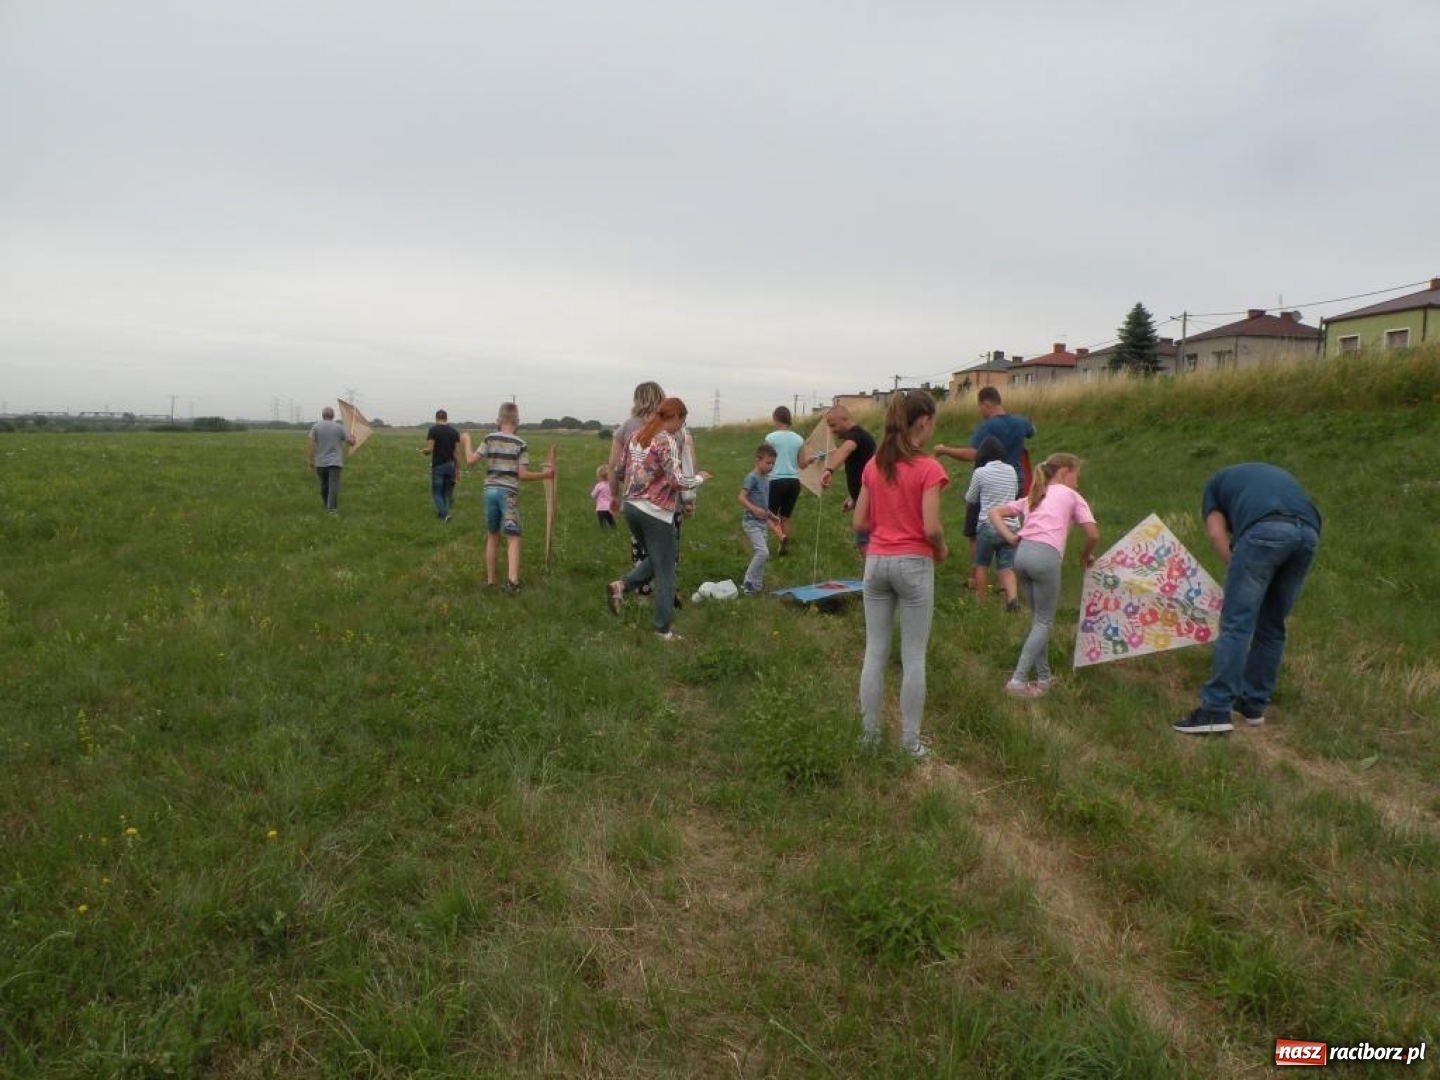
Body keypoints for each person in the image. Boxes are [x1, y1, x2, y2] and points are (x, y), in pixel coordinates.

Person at [1173, 463, 1321, 735]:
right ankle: (1253, 704)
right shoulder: (1256, 478)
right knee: (1273, 625)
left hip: (1265, 529)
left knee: (1236, 624)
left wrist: (1238, 569)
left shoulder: (1213, 487)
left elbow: (1216, 533)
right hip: (1308, 532)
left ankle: (1215, 710)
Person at [854, 390, 949, 759]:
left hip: (876, 562)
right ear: (923, 422)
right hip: (913, 564)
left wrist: (884, 530)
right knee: (913, 656)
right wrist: (941, 549)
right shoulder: (929, 468)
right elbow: (931, 528)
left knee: (874, 651)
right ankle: (910, 742)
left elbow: (859, 521)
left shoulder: (874, 465)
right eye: (933, 422)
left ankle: (870, 736)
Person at [989, 452, 1099, 698]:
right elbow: (1093, 535)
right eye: (1076, 475)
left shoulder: (1034, 496)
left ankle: (1044, 678)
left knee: (1038, 620)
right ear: (1065, 471)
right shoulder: (1072, 496)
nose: (1077, 482)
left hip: (1021, 556)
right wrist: (1084, 557)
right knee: (1044, 621)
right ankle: (1017, 682)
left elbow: (994, 513)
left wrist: (1009, 537)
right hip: (1045, 558)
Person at [606, 398, 710, 640]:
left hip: (631, 508)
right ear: (674, 418)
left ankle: (620, 587)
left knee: (659, 557)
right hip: (655, 512)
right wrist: (700, 479)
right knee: (666, 573)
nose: (681, 427)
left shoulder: (636, 436)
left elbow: (620, 470)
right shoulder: (667, 441)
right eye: (681, 422)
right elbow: (676, 480)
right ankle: (662, 630)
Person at [935, 387, 1035, 565]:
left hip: (989, 480)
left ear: (986, 404)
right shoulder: (1020, 422)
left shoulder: (989, 426)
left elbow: (972, 454)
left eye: (980, 407)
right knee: (1009, 525)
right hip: (1014, 479)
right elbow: (1031, 431)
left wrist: (944, 450)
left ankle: (976, 576)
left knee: (975, 530)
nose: (980, 411)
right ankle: (1007, 574)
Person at [463, 402, 556, 594]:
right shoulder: (520, 444)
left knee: (492, 535)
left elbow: (471, 460)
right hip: (508, 495)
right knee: (513, 536)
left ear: (498, 420)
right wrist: (545, 475)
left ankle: (491, 580)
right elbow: (521, 475)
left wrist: (466, 442)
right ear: (517, 422)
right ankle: (512, 581)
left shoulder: (489, 438)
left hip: (489, 492)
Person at [609, 381, 666, 595]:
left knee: (641, 548)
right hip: (667, 501)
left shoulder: (626, 428)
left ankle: (642, 594)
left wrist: (613, 496)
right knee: (669, 548)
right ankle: (667, 593)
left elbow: (613, 467)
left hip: (635, 502)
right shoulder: (672, 426)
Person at [965, 435, 1020, 608]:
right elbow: (1015, 493)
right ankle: (1011, 598)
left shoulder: (980, 472)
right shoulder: (1012, 470)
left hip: (988, 525)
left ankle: (981, 602)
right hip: (1010, 526)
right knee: (1006, 566)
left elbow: (971, 498)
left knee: (982, 565)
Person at [817, 404, 877, 553]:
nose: (832, 430)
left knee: (866, 544)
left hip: (870, 502)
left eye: (833, 425)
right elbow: (864, 473)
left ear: (844, 419)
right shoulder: (861, 437)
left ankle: (873, 574)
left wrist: (828, 470)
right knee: (864, 544)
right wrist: (853, 497)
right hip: (864, 499)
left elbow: (845, 449)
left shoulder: (856, 436)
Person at [737, 444, 780, 595]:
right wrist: (754, 509)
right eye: (768, 463)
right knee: (763, 552)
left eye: (773, 463)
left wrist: (771, 515)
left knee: (761, 555)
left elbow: (762, 503)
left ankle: (756, 587)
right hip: (751, 522)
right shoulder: (752, 477)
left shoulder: (766, 479)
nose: (771, 466)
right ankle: (748, 582)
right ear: (757, 460)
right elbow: (741, 498)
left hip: (762, 524)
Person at [765, 406, 807, 556]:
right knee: (786, 518)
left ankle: (780, 537)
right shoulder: (799, 439)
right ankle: (783, 544)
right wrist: (812, 459)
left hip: (775, 481)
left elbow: (765, 460)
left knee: (769, 515)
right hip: (794, 482)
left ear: (776, 418)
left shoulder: (770, 438)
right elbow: (802, 464)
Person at [306, 405, 357, 514]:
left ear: (322, 415)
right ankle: (332, 510)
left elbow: (311, 444)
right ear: (333, 416)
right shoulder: (339, 427)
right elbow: (351, 443)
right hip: (335, 462)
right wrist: (353, 438)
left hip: (320, 462)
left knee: (324, 485)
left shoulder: (316, 427)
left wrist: (311, 461)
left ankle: (326, 505)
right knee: (333, 485)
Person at [421, 408, 463, 521]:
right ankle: (441, 515)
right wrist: (458, 470)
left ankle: (444, 514)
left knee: (436, 492)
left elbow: (430, 449)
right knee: (444, 491)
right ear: (446, 418)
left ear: (436, 418)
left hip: (438, 465)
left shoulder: (433, 430)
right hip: (450, 465)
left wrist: (424, 451)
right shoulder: (454, 432)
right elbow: (456, 453)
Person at [592, 465, 616, 529]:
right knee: (611, 520)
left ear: (599, 476)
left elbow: (593, 495)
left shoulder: (599, 485)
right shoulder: (611, 485)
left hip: (601, 508)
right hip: (609, 507)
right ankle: (614, 529)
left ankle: (604, 531)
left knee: (602, 522)